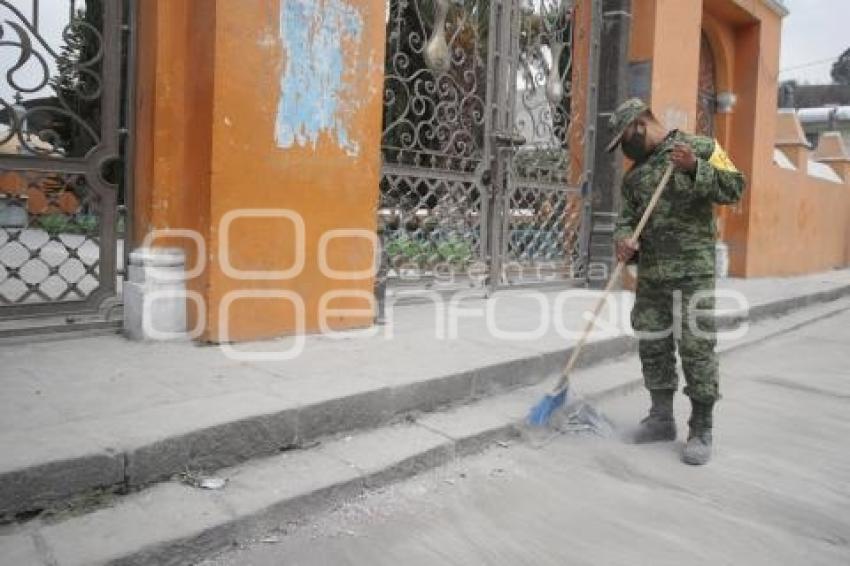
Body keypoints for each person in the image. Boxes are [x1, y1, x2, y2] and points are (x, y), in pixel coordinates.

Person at [607, 98, 745, 465]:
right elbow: (626, 219)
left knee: (696, 347)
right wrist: (624, 241)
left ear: (639, 124)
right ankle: (660, 419)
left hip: (692, 270)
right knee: (653, 343)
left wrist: (695, 167)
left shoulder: (701, 146)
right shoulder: (634, 176)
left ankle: (701, 429)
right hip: (652, 273)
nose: (624, 148)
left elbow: (735, 186)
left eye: (624, 138)